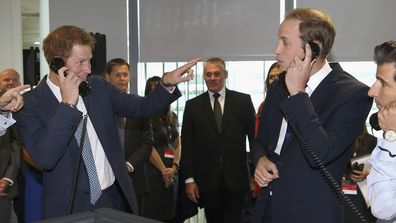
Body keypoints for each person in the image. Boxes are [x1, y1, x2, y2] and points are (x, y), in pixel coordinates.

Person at [14, 25, 200, 220]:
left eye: (90, 61)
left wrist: (167, 84)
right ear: (57, 64)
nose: (89, 69)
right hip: (69, 207)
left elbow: (143, 107)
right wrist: (67, 105)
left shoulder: (98, 87)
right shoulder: (29, 104)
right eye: (81, 62)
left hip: (112, 199)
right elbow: (45, 157)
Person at [252, 8, 372, 223]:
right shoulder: (278, 86)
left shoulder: (353, 94)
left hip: (312, 213)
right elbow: (261, 140)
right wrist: (260, 159)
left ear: (313, 48)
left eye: (285, 43)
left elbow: (321, 154)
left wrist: (298, 94)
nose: (276, 50)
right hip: (267, 208)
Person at [180, 57, 256, 223]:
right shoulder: (192, 106)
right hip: (207, 182)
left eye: (216, 74)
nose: (212, 78)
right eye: (208, 75)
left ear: (225, 75)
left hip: (237, 180)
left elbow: (254, 139)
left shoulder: (243, 101)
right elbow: (187, 146)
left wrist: (256, 173)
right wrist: (189, 180)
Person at [103, 58, 154, 215]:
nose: (123, 79)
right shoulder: (100, 108)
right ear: (107, 77)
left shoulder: (139, 105)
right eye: (118, 75)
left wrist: (129, 165)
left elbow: (147, 143)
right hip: (107, 180)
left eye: (125, 74)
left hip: (135, 179)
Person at [138, 76, 181, 222]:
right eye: (154, 89)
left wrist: (174, 167)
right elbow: (148, 146)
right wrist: (164, 171)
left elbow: (177, 143)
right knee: (154, 215)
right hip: (153, 173)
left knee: (171, 214)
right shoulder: (145, 116)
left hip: (171, 173)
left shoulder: (172, 116)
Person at [367, 40, 396, 223]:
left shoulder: (391, 137)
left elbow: (383, 207)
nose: (372, 91)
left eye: (382, 83)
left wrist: (390, 136)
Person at [0, 68, 24, 223]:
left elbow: (15, 143)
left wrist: (7, 178)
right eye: (6, 79)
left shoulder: (22, 105)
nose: (10, 83)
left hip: (5, 183)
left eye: (14, 79)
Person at [343, 126, 377, 223]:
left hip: (364, 196)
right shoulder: (337, 140)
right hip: (344, 195)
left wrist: (369, 171)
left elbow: (387, 171)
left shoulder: (374, 142)